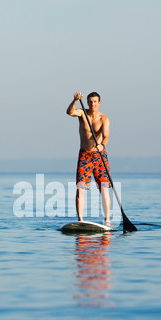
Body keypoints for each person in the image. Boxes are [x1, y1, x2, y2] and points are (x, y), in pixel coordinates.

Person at [66, 92, 112, 227]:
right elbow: (69, 112)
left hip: (99, 155)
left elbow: (106, 136)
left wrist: (102, 145)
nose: (93, 104)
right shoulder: (82, 113)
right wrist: (74, 100)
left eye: (95, 101)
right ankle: (80, 220)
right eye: (90, 101)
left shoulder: (104, 119)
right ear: (87, 103)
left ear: (99, 103)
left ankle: (107, 220)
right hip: (85, 155)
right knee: (80, 188)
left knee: (104, 188)